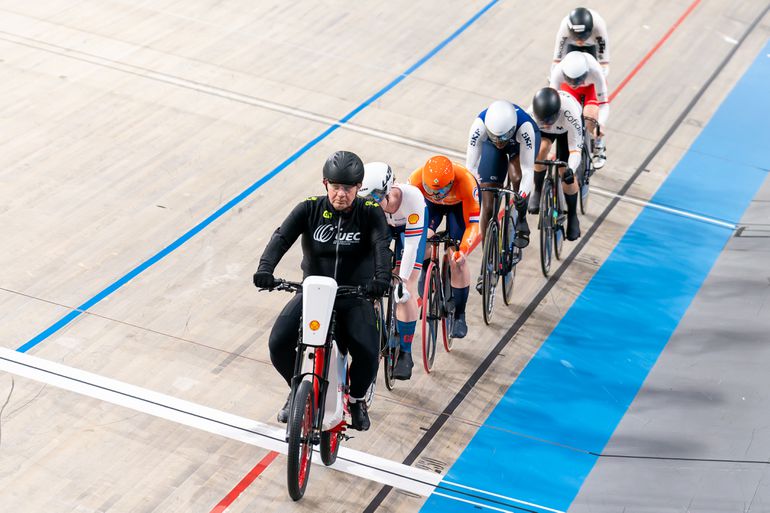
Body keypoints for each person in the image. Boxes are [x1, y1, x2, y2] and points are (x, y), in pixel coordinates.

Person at [252, 150, 391, 431]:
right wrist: (265, 269)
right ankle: (297, 388)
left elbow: (381, 247)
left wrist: (381, 279)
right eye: (336, 187)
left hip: (355, 295)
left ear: (358, 187)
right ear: (325, 183)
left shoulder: (370, 212)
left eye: (348, 188)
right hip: (314, 293)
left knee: (367, 351)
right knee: (278, 343)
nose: (341, 194)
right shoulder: (309, 208)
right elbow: (281, 238)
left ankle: (356, 400)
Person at [358, 162, 427, 380]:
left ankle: (406, 353)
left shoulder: (412, 198)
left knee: (405, 289)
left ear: (388, 188)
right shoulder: (370, 206)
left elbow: (412, 247)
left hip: (411, 231)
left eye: (376, 196)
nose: (372, 202)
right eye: (367, 198)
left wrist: (403, 281)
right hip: (385, 229)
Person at [466, 100, 540, 292]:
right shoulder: (479, 126)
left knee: (517, 176)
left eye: (502, 138)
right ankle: (486, 264)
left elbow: (528, 170)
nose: (499, 142)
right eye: (495, 137)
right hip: (492, 147)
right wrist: (476, 195)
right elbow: (471, 169)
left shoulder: (525, 128)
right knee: (488, 206)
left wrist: (522, 196)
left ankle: (521, 220)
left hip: (518, 147)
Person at [408, 156, 480, 338]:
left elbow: (473, 224)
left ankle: (460, 316)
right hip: (431, 208)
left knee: (456, 259)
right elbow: (409, 218)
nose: (437, 195)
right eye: (431, 189)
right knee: (424, 238)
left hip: (459, 207)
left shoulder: (466, 181)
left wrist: (463, 250)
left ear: (452, 182)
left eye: (441, 191)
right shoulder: (415, 180)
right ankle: (426, 269)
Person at [529, 86, 584, 241]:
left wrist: (571, 169)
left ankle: (573, 216)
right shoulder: (531, 114)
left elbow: (575, 151)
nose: (546, 124)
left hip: (566, 132)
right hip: (551, 132)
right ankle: (538, 190)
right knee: (540, 151)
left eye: (549, 120)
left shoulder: (570, 114)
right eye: (542, 121)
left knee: (564, 170)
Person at [550, 51, 609, 169]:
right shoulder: (558, 72)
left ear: (586, 73)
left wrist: (600, 125)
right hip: (569, 91)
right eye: (570, 79)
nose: (573, 84)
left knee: (590, 116)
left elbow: (603, 104)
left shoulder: (595, 71)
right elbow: (552, 101)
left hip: (590, 89)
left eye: (577, 80)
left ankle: (598, 143)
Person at [552, 7, 610, 76]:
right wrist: (556, 76)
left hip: (591, 44)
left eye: (583, 37)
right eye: (576, 37)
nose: (580, 42)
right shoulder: (564, 30)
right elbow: (558, 58)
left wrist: (601, 75)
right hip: (572, 43)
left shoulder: (599, 29)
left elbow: (603, 62)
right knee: (568, 65)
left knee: (594, 68)